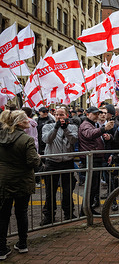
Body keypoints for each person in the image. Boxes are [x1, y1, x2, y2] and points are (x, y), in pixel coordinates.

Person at [0, 110, 40, 259]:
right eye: (25, 120)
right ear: (19, 123)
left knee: (3, 215)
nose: (28, 121)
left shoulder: (1, 135)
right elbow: (33, 162)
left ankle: (2, 248)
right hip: (22, 180)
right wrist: (38, 158)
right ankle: (22, 243)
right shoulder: (26, 139)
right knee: (21, 212)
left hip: (4, 180)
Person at [40, 105, 78, 225]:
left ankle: (68, 213)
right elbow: (47, 139)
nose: (58, 117)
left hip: (67, 162)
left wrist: (65, 129)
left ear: (67, 115)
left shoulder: (72, 127)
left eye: (61, 114)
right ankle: (49, 215)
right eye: (56, 114)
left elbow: (73, 140)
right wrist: (55, 128)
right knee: (50, 191)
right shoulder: (47, 126)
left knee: (67, 190)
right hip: (52, 162)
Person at [78, 107, 114, 216]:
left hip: (96, 158)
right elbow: (90, 134)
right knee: (90, 187)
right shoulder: (85, 125)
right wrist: (104, 129)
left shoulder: (93, 124)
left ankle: (88, 209)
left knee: (93, 187)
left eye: (98, 114)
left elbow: (97, 136)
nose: (97, 116)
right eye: (95, 114)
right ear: (88, 114)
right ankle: (84, 211)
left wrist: (107, 135)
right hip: (90, 159)